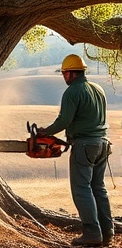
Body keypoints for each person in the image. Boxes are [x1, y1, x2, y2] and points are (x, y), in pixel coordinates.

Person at [38, 54, 114, 247]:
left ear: (71, 73)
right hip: (102, 144)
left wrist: (45, 132)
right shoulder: (97, 89)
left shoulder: (73, 91)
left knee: (81, 189)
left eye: (64, 73)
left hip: (85, 145)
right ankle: (107, 232)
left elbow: (64, 121)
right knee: (99, 188)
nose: (64, 77)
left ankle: (91, 232)